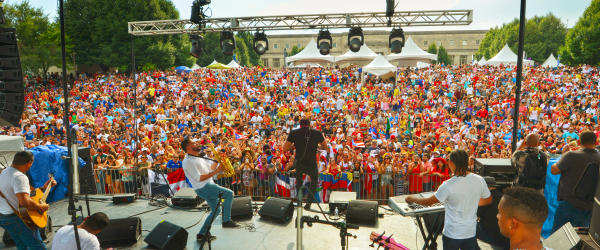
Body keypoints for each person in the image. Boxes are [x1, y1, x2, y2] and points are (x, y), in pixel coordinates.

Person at [406, 149, 492, 250]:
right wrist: (470, 202)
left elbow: (427, 202)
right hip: (470, 232)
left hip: (452, 234)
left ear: (452, 163)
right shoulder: (479, 180)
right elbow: (488, 200)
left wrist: (410, 198)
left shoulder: (448, 185)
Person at [181, 136, 238, 242]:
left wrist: (218, 159)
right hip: (204, 187)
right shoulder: (188, 161)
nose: (197, 143)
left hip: (207, 186)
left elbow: (209, 169)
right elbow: (199, 178)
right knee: (229, 194)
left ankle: (202, 234)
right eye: (194, 143)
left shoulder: (197, 157)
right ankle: (226, 220)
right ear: (188, 147)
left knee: (216, 210)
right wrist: (216, 172)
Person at [0, 150, 56, 250]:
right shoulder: (20, 177)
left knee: (22, 245)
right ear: (29, 163)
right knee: (37, 247)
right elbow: (24, 202)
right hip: (19, 219)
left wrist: (44, 188)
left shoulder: (4, 172)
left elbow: (23, 194)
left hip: (4, 217)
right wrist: (40, 207)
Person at [551, 131, 600, 232]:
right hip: (590, 206)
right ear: (596, 142)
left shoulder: (571, 155)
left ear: (578, 141)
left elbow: (554, 170)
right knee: (579, 238)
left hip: (569, 203)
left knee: (558, 236)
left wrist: (564, 155)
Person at [283, 118, 328, 209]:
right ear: (310, 124)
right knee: (314, 181)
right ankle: (309, 202)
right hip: (311, 162)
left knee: (299, 182)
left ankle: (299, 201)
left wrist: (294, 146)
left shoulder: (294, 133)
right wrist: (316, 145)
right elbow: (325, 146)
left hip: (300, 161)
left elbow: (285, 148)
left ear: (300, 124)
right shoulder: (317, 133)